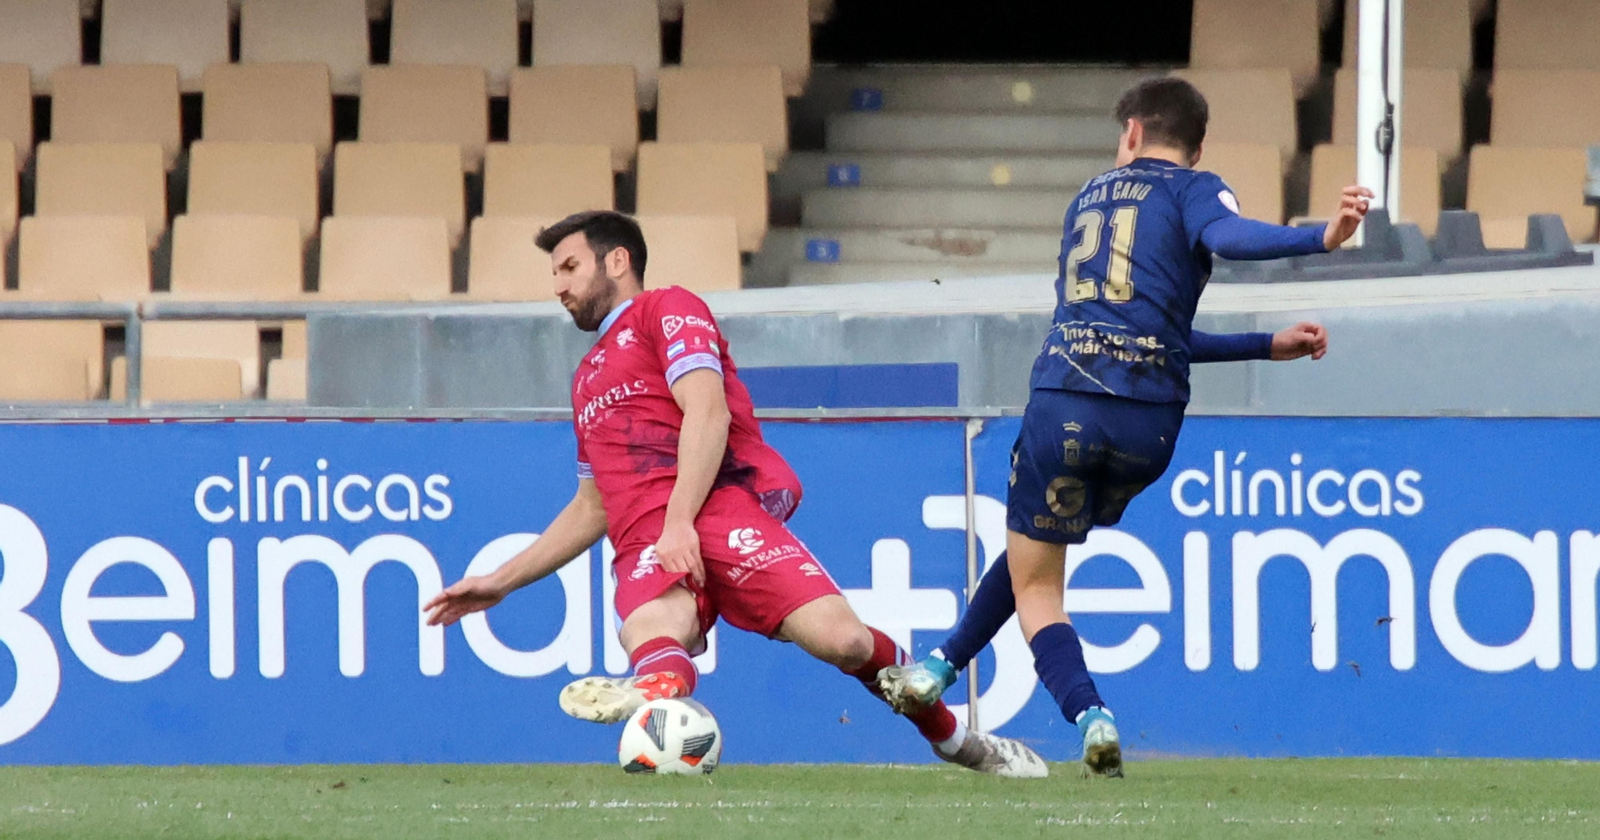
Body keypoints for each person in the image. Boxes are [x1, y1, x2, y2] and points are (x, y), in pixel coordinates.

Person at [424, 210, 1047, 778]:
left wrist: (680, 522)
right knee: (652, 628)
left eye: (568, 267)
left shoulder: (668, 309)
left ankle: (959, 743)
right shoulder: (586, 378)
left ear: (617, 260)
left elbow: (708, 411)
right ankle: (657, 685)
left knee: (847, 643)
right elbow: (593, 506)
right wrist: (500, 582)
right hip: (646, 537)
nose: (558, 286)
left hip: (718, 509)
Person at [878, 76, 1372, 778]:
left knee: (1037, 580)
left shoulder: (1088, 198)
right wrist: (1275, 324)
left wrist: (1319, 238)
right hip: (1148, 428)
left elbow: (1194, 264)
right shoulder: (1196, 190)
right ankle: (937, 667)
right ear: (1198, 146)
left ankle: (1089, 716)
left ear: (1133, 133)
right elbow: (1209, 264)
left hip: (1066, 402)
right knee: (1034, 547)